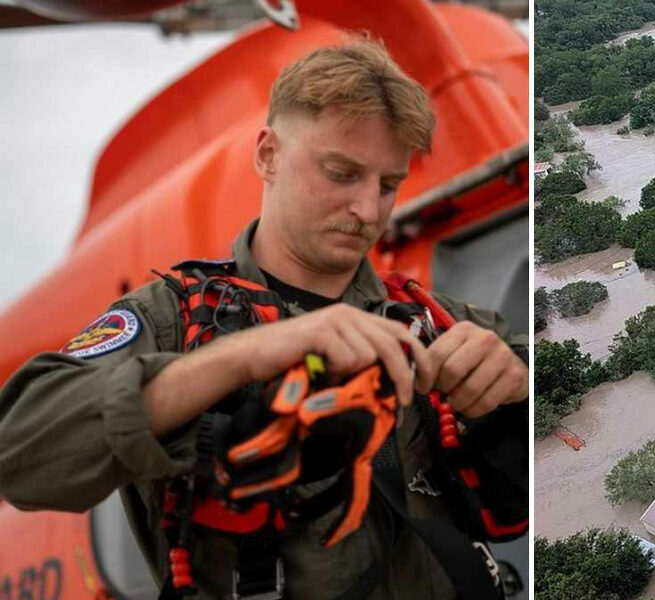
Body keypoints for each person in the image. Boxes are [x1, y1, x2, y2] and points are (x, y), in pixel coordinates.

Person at [0, 37, 527, 600]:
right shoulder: (170, 318)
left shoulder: (439, 318)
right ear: (267, 155)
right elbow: (19, 453)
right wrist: (245, 355)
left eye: (388, 185)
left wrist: (518, 382)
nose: (368, 210)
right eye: (342, 174)